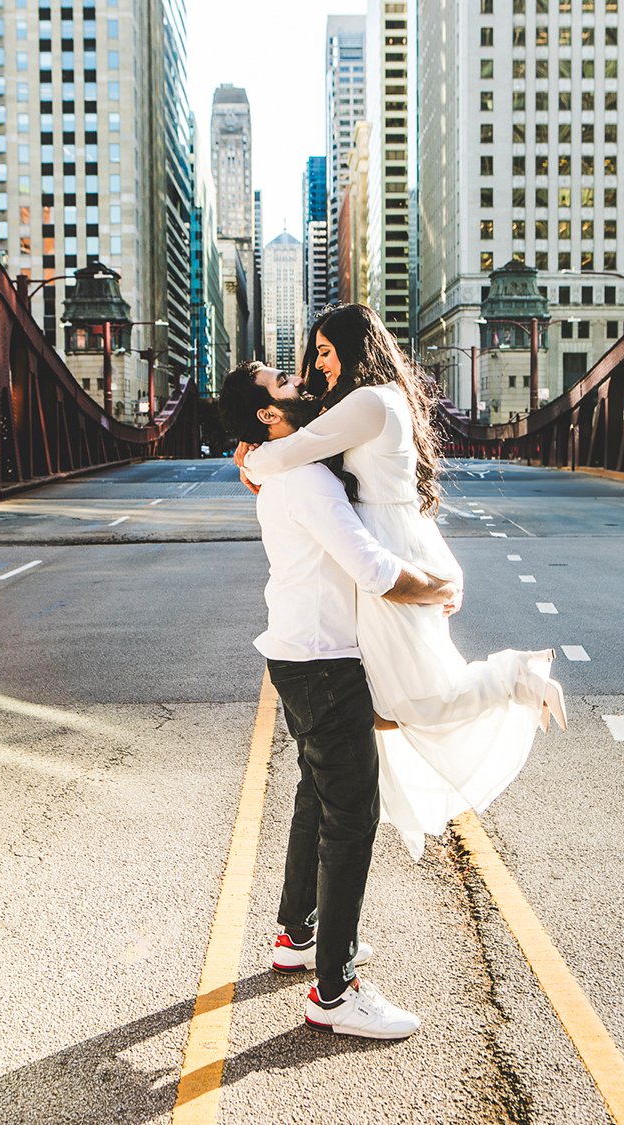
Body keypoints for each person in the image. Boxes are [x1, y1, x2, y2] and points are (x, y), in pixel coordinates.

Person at [238, 304, 567, 863]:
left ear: (353, 346)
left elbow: (287, 456)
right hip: (389, 537)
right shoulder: (368, 400)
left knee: (417, 699)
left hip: (388, 546)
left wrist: (250, 462)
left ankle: (518, 674)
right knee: (386, 700)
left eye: (324, 351)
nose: (317, 368)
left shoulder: (369, 401)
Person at [220, 363, 460, 1039]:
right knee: (353, 816)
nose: (299, 379)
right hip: (324, 665)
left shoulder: (277, 468)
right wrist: (439, 587)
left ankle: (299, 935)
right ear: (270, 414)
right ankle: (335, 989)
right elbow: (375, 571)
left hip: (297, 656)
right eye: (283, 381)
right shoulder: (305, 477)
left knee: (317, 797)